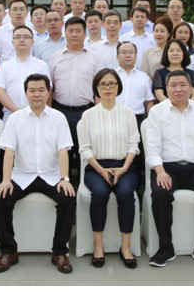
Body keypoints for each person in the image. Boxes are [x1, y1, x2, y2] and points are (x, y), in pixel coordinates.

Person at [0, 74, 76, 274]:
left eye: (41, 90)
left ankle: (59, 252)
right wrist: (5, 180)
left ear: (48, 92)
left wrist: (65, 179)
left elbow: (63, 150)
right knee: (1, 198)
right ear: (26, 93)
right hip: (22, 175)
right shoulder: (15, 118)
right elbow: (9, 151)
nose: (37, 94)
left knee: (68, 197)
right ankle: (8, 252)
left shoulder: (58, 118)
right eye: (32, 90)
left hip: (51, 174)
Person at [145, 70, 194, 268]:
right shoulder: (157, 112)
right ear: (166, 89)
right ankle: (165, 247)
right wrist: (159, 171)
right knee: (160, 194)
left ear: (191, 88)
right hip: (167, 168)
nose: (178, 89)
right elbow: (152, 146)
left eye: (183, 85)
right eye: (173, 85)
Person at [78, 69, 140, 269]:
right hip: (96, 167)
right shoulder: (88, 115)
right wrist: (101, 171)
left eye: (112, 83)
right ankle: (98, 246)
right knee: (99, 193)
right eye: (103, 84)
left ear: (118, 87)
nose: (107, 88)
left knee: (125, 193)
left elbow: (133, 145)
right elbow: (85, 149)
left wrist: (124, 168)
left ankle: (125, 247)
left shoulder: (128, 113)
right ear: (96, 88)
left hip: (124, 166)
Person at [48, 16, 104, 186]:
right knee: (62, 150)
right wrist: (49, 112)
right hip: (60, 111)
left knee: (84, 151)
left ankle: (82, 187)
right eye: (70, 31)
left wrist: (97, 114)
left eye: (78, 31)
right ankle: (63, 186)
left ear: (84, 34)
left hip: (86, 112)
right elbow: (50, 88)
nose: (74, 34)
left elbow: (99, 89)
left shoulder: (95, 58)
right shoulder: (55, 57)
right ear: (65, 33)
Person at [0, 25, 51, 122]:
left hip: (37, 116)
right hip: (10, 116)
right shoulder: (5, 66)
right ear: (12, 42)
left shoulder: (41, 65)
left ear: (32, 42)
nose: (22, 40)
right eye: (18, 37)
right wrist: (17, 111)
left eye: (26, 37)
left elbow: (48, 90)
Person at [115, 42, 154, 130]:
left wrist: (150, 121)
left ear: (136, 56)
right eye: (124, 52)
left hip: (137, 119)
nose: (127, 55)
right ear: (117, 56)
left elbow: (149, 102)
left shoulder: (144, 77)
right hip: (114, 118)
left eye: (131, 52)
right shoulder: (111, 75)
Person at [0, 0, 28, 66]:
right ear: (9, 13)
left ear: (27, 13)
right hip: (5, 71)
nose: (18, 12)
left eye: (22, 9)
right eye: (15, 9)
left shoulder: (32, 33)